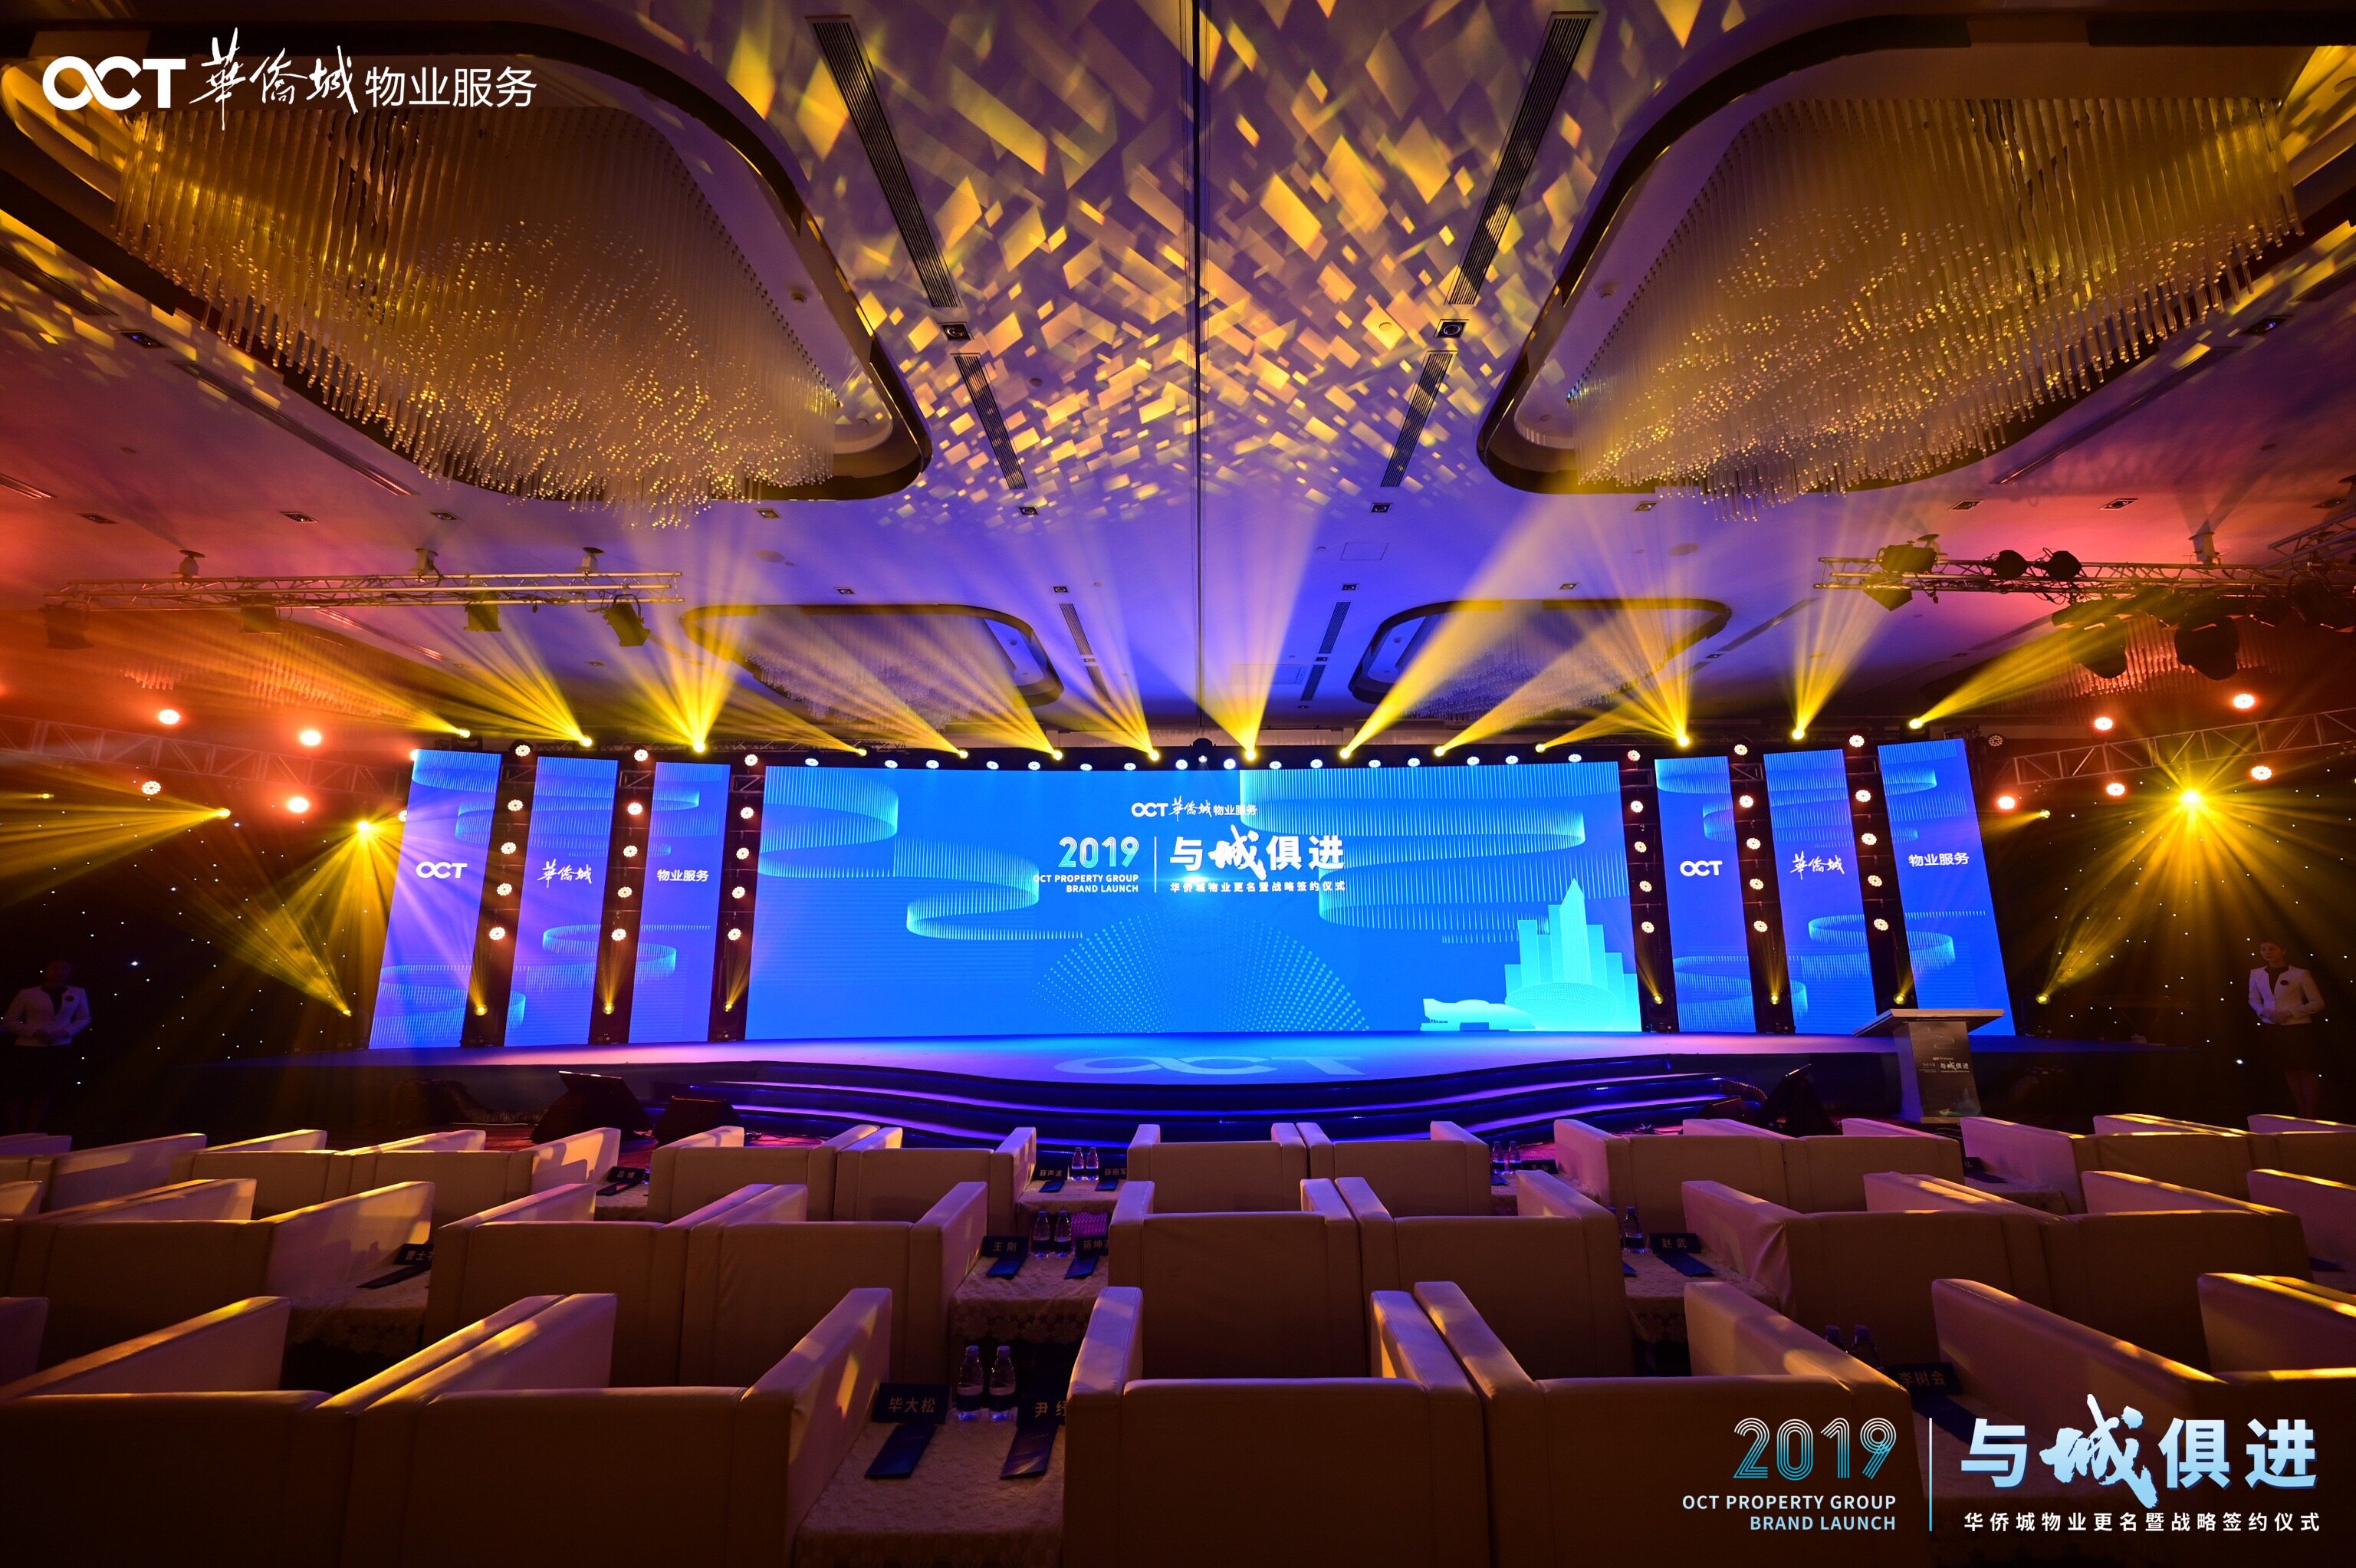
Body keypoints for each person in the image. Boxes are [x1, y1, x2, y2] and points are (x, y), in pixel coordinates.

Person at [3, 959, 90, 1133]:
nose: (60, 972)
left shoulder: (78, 992)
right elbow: (9, 1021)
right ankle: (12, 1131)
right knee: (18, 1091)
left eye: (65, 968)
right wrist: (34, 1031)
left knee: (45, 1091)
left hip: (58, 1047)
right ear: (46, 970)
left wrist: (65, 1031)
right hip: (28, 1048)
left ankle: (32, 1132)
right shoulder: (27, 993)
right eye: (55, 968)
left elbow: (84, 1017)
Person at [2249, 939, 2325, 1118]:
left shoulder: (2300, 974)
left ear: (2283, 950)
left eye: (2272, 949)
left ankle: (2311, 1111)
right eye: (2263, 949)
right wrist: (2265, 1013)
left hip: (2297, 1028)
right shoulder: (2256, 973)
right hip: (2273, 1026)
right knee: (2289, 1068)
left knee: (2306, 1068)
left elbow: (2318, 1002)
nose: (2267, 952)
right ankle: (2301, 1109)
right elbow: (2253, 999)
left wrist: (2290, 1012)